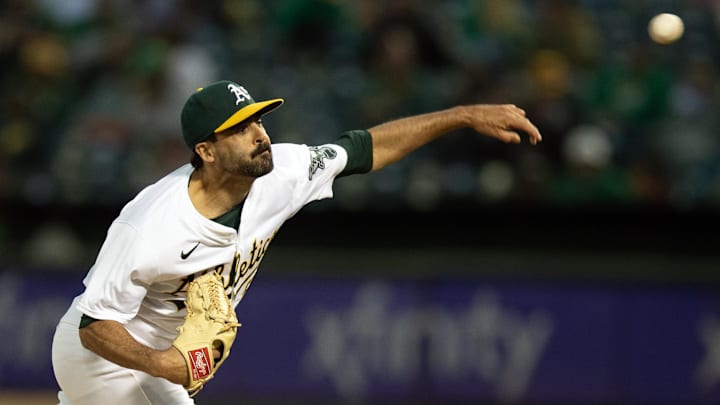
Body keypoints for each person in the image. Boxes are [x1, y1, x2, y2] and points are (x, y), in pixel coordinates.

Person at [51, 80, 542, 404]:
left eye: (258, 120)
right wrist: (160, 362)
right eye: (239, 130)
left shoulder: (283, 171)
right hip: (105, 358)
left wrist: (461, 115)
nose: (259, 135)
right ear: (206, 151)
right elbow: (94, 325)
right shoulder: (150, 225)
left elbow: (364, 148)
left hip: (160, 357)